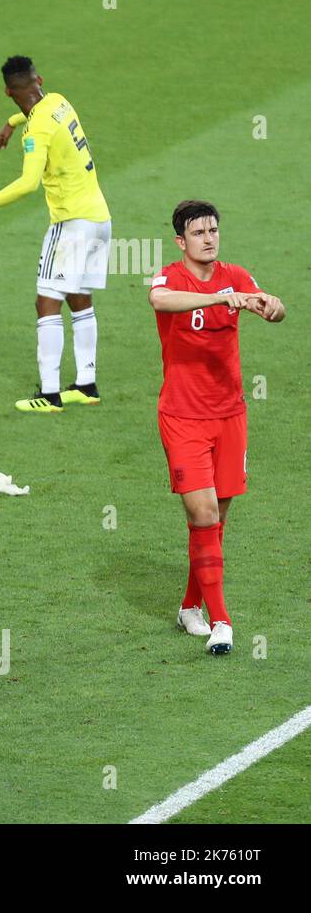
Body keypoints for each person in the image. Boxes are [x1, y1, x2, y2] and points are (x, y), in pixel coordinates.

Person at [149, 200, 285, 655]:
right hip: (182, 417)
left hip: (230, 416)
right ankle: (221, 621)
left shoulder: (238, 275)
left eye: (213, 231)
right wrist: (219, 298)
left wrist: (270, 305)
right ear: (181, 241)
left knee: (215, 519)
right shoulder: (170, 276)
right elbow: (160, 301)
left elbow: (273, 308)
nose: (208, 238)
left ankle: (190, 606)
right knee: (203, 515)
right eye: (199, 232)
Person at [0, 55, 112, 414]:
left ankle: (48, 395)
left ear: (6, 91)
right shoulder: (59, 101)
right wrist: (12, 122)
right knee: (79, 297)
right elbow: (37, 113)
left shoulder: (37, 132)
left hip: (71, 224)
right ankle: (86, 385)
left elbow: (28, 183)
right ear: (39, 79)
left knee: (46, 301)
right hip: (100, 220)